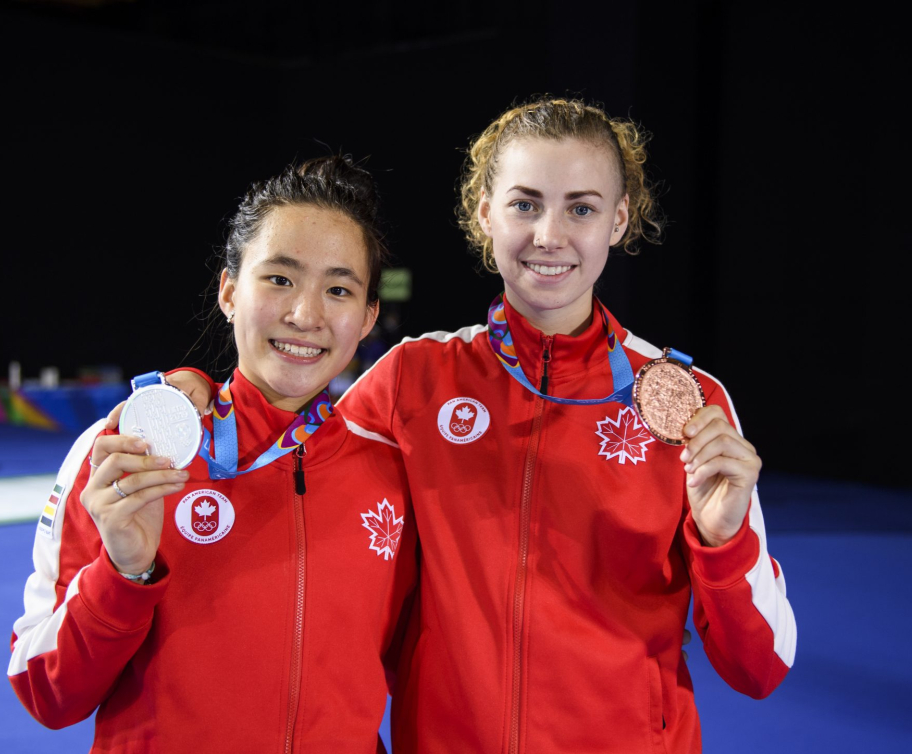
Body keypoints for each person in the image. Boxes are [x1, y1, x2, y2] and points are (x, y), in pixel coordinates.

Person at [156, 97, 796, 753]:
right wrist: (199, 396)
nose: (549, 234)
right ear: (485, 213)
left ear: (618, 219)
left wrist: (722, 548)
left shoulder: (684, 401)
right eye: (524, 204)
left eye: (581, 207)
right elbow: (288, 444)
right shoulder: (414, 378)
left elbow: (759, 669)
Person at [8, 156, 417, 753]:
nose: (305, 315)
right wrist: (124, 574)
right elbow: (45, 692)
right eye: (279, 279)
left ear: (368, 317)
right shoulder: (128, 454)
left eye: (338, 289)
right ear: (229, 290)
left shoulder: (393, 470)